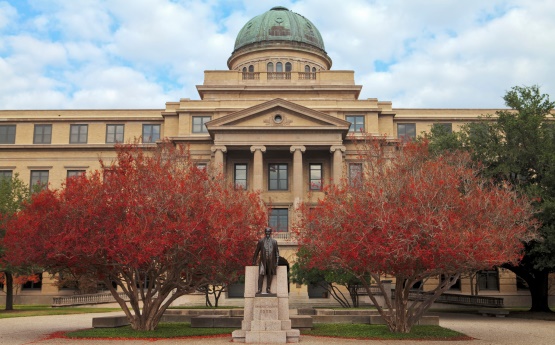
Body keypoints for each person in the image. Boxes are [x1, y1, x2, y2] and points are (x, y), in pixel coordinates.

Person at [252, 227, 279, 294]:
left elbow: (277, 253)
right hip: (263, 261)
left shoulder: (274, 242)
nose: (267, 233)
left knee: (270, 275)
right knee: (261, 274)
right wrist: (254, 260)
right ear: (265, 232)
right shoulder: (261, 241)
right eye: (266, 232)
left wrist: (277, 262)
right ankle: (259, 289)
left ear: (270, 232)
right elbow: (256, 252)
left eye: (269, 232)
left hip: (271, 261)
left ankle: (268, 289)